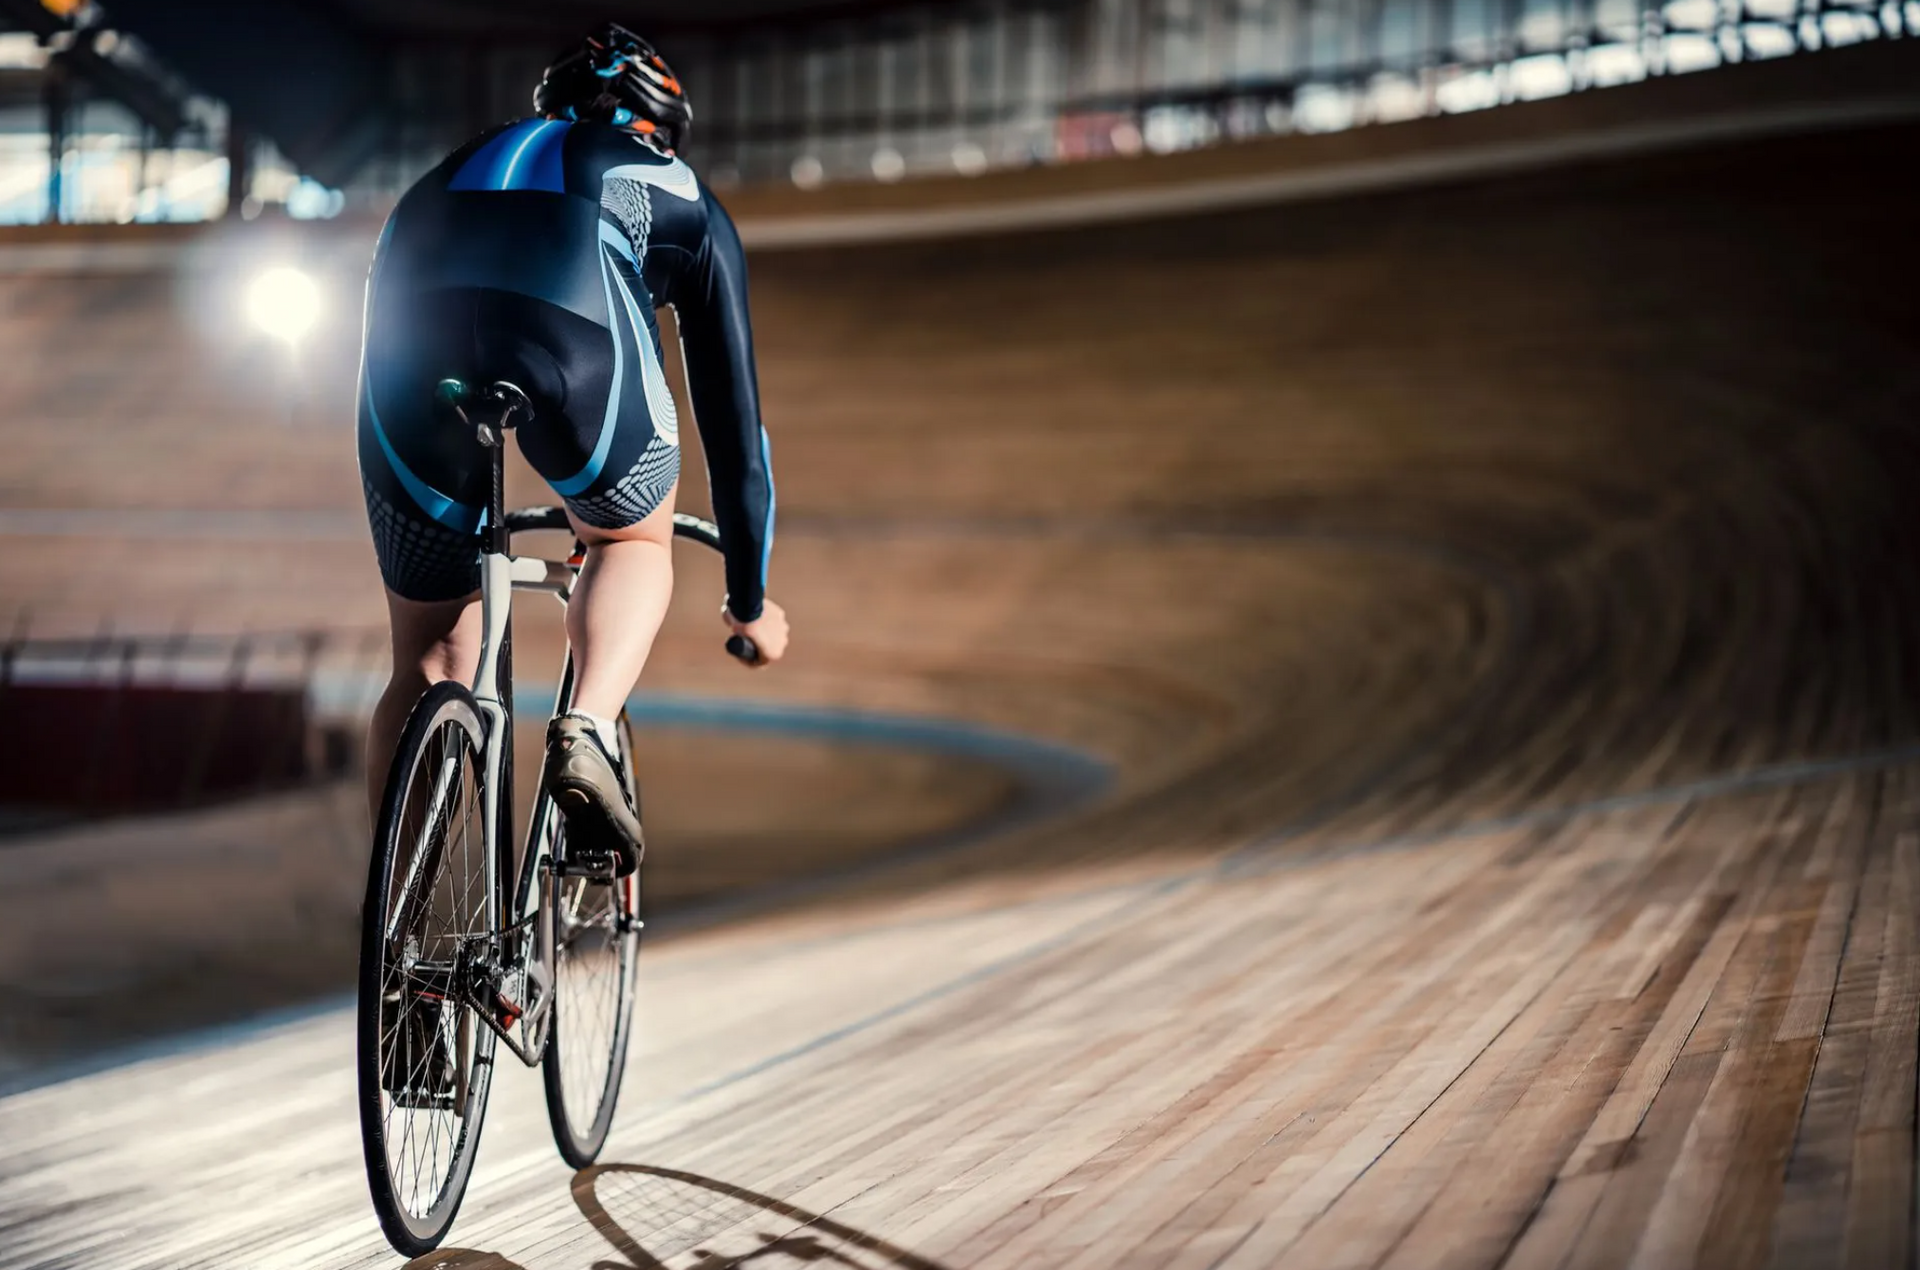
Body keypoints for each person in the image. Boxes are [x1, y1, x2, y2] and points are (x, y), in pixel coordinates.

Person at [357, 23, 788, 873]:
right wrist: (749, 598)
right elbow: (735, 430)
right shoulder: (677, 185)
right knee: (630, 540)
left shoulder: (459, 159)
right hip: (570, 327)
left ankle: (398, 923)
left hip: (410, 339)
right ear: (659, 128)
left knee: (434, 652)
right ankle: (584, 728)